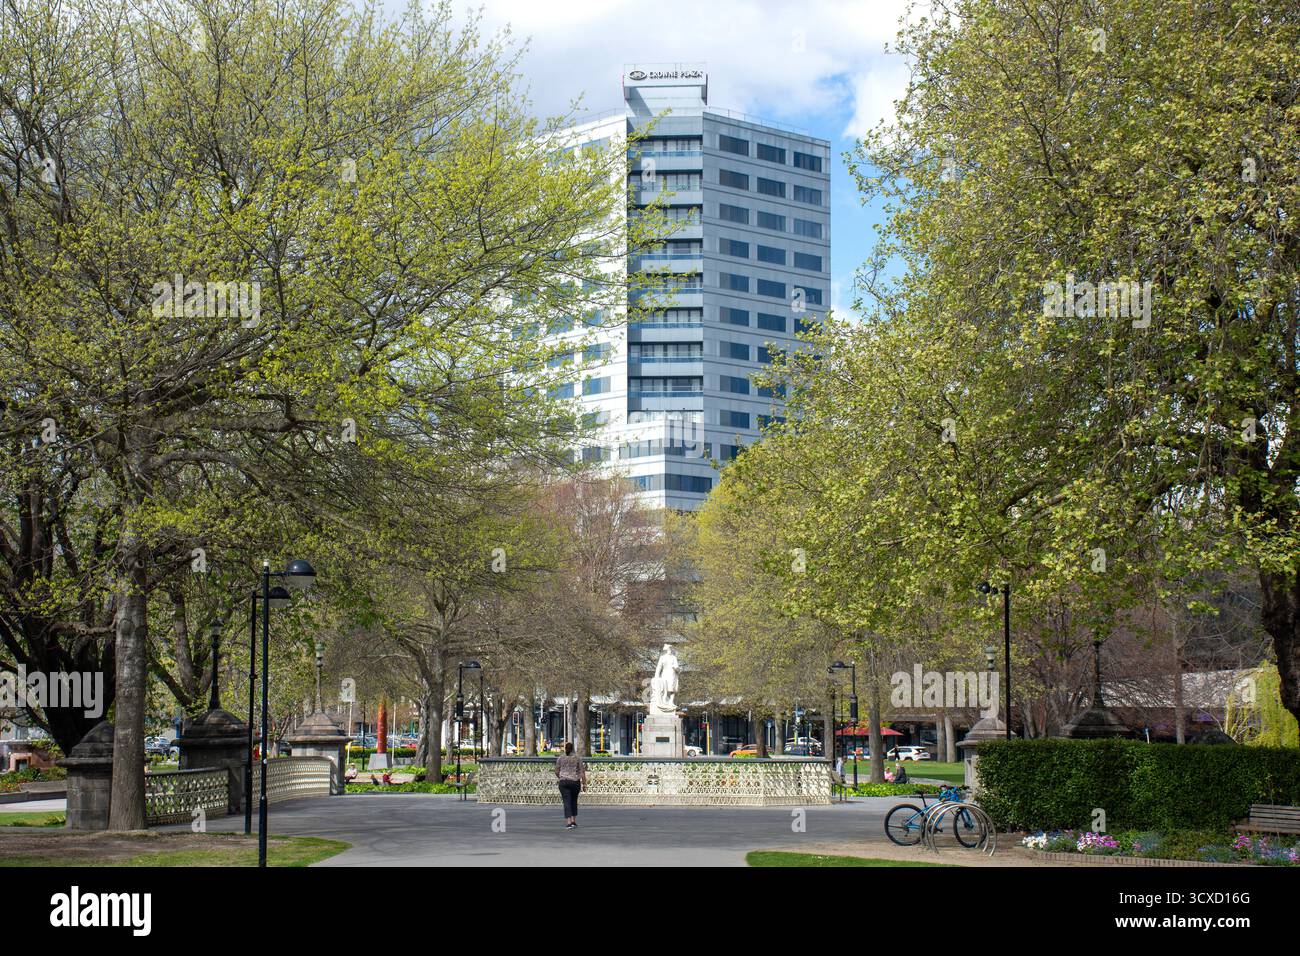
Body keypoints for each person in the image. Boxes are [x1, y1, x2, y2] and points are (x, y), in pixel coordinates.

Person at [554, 741, 587, 829]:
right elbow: (582, 772)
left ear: (565, 749)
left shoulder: (561, 758)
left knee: (567, 802)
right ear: (573, 749)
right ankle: (573, 821)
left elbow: (556, 771)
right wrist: (584, 784)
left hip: (563, 782)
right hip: (575, 782)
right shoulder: (577, 758)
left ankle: (568, 822)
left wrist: (561, 777)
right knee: (573, 801)